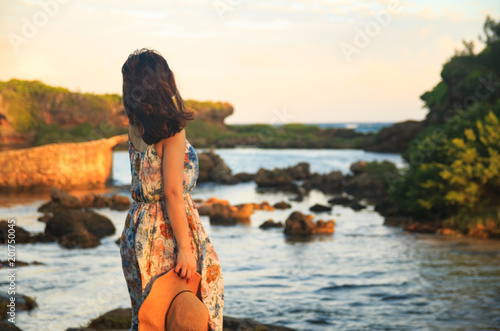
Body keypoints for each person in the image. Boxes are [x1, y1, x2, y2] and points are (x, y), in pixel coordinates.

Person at [119, 48, 224, 331]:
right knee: (189, 308)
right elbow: (173, 193)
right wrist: (186, 249)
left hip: (136, 230)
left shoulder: (136, 126)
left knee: (150, 316)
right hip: (167, 229)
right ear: (165, 82)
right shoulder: (172, 131)